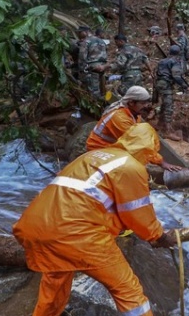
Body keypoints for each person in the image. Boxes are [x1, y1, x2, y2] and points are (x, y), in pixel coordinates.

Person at [13, 123, 177, 316]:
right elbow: (137, 213)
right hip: (78, 235)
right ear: (150, 147)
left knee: (55, 283)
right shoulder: (130, 167)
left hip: (35, 227)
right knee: (128, 290)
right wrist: (158, 236)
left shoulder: (92, 156)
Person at [86, 86, 182, 172]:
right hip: (100, 149)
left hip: (112, 147)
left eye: (147, 102)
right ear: (131, 102)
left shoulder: (134, 114)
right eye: (143, 103)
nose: (146, 106)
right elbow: (138, 144)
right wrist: (162, 163)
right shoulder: (120, 118)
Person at [154, 45, 188, 131]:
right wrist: (185, 85)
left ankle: (159, 124)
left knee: (165, 103)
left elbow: (155, 73)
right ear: (178, 53)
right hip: (166, 85)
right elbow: (176, 76)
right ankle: (167, 130)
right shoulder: (175, 62)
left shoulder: (162, 61)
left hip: (158, 84)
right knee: (169, 106)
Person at [77, 26, 109, 99]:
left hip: (92, 68)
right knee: (102, 90)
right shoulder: (102, 41)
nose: (78, 34)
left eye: (80, 32)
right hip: (103, 67)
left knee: (93, 92)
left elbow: (82, 58)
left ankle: (96, 105)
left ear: (86, 32)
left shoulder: (86, 41)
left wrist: (82, 73)